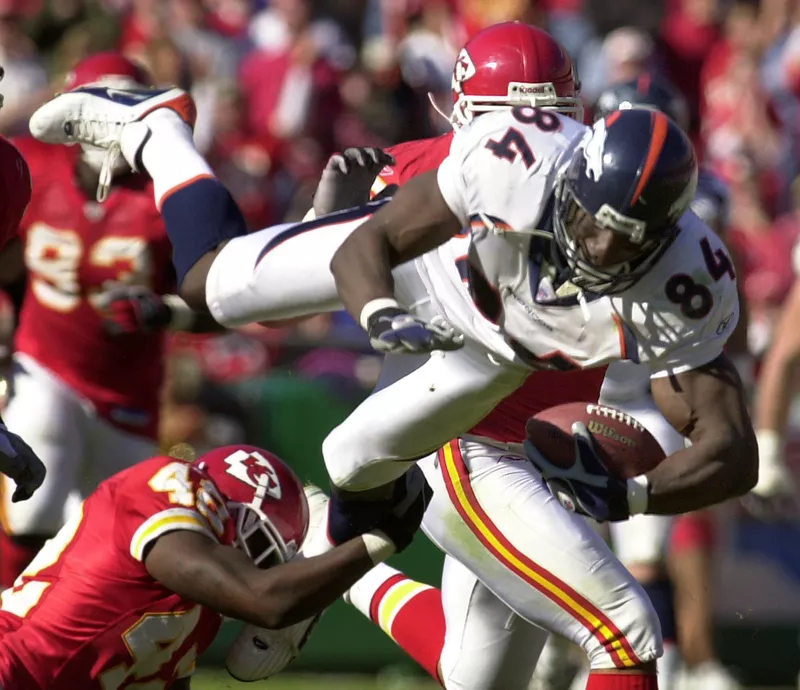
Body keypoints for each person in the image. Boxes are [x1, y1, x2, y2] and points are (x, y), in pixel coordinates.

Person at [29, 52, 757, 690]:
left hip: (493, 392)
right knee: (212, 284)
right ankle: (160, 130)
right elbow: (366, 246)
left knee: (477, 676)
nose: (595, 248)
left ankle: (337, 553)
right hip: (424, 291)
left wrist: (632, 495)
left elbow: (731, 450)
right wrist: (380, 314)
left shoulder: (689, 278)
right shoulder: (508, 156)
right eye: (588, 220)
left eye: (621, 242)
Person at [0, 52, 219, 586]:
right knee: (31, 510)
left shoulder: (168, 195)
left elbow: (223, 299)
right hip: (44, 366)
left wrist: (161, 311)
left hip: (129, 396)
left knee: (115, 552)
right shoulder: (31, 166)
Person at [0, 443, 427, 688]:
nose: (253, 563)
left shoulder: (197, 621)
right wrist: (380, 540)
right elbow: (266, 601)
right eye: (256, 544)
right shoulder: (166, 486)